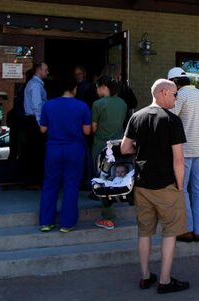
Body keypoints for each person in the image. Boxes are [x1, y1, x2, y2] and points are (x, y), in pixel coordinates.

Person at [121, 78, 189, 294]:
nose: (176, 99)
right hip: (166, 184)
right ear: (163, 92)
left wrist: (143, 150)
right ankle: (165, 280)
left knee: (144, 232)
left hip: (142, 184)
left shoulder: (136, 116)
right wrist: (180, 186)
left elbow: (124, 148)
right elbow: (179, 159)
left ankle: (145, 277)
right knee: (170, 232)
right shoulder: (172, 120)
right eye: (175, 94)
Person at [38, 74, 91, 233]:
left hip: (54, 148)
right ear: (74, 89)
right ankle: (67, 224)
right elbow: (87, 131)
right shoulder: (82, 106)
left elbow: (43, 129)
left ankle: (46, 222)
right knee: (71, 185)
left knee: (50, 184)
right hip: (74, 149)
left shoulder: (48, 105)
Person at [167, 67, 199, 243]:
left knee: (182, 188)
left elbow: (171, 116)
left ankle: (186, 229)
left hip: (186, 148)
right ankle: (198, 230)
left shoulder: (181, 95)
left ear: (175, 82)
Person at [90, 76, 128, 229]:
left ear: (103, 87)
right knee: (115, 178)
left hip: (101, 145)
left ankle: (108, 217)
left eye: (97, 87)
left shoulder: (98, 104)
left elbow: (93, 128)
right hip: (117, 146)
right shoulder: (123, 104)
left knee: (102, 180)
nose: (96, 90)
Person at [23, 61, 49, 188]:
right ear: (39, 71)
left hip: (32, 121)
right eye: (46, 70)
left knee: (34, 150)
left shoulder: (34, 84)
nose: (47, 72)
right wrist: (41, 124)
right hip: (35, 121)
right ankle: (34, 181)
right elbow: (37, 106)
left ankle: (32, 180)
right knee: (36, 151)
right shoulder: (35, 86)